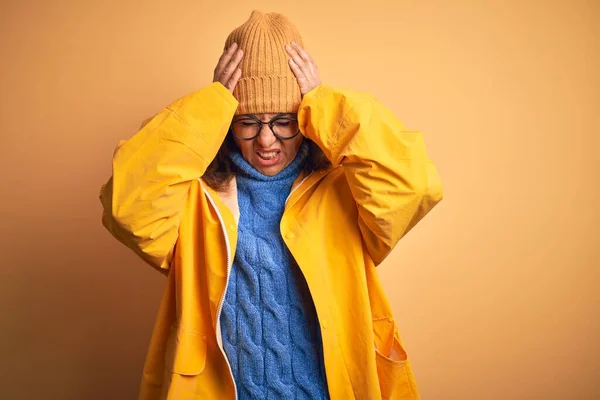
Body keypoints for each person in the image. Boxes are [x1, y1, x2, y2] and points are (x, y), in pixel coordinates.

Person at [100, 10, 442, 400]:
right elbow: (126, 204)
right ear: (228, 123)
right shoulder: (198, 202)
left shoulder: (343, 191)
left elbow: (413, 186)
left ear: (306, 120)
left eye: (284, 120)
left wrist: (322, 101)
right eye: (248, 121)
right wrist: (209, 107)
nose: (266, 140)